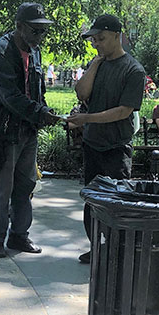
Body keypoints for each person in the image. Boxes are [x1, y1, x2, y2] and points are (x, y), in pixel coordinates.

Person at [0, 2, 59, 258]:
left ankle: (19, 236)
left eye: (43, 31)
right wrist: (39, 112)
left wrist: (43, 111)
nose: (39, 36)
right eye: (35, 30)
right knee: (3, 187)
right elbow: (9, 96)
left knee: (26, 185)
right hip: (4, 130)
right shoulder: (2, 51)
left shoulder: (35, 52)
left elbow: (37, 89)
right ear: (19, 26)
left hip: (27, 129)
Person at [66, 14, 145, 264]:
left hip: (117, 148)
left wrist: (87, 119)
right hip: (93, 145)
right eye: (94, 40)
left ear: (116, 36)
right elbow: (81, 93)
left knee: (116, 203)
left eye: (100, 39)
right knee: (91, 201)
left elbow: (124, 111)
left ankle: (117, 253)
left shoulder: (133, 70)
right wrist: (95, 64)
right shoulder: (97, 64)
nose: (96, 43)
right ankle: (96, 248)